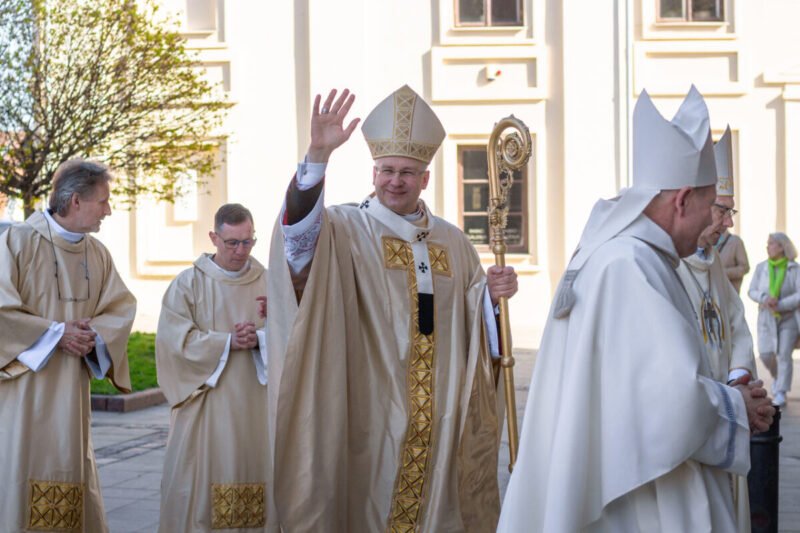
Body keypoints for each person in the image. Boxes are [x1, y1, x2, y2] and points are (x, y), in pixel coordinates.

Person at [498, 86, 774, 532]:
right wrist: (736, 406)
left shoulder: (628, 254)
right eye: (710, 206)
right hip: (641, 494)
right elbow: (670, 404)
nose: (715, 224)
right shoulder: (630, 265)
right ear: (682, 199)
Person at [267, 85, 517, 532]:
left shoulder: (454, 242)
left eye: (407, 172)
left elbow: (474, 321)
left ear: (425, 179)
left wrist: (492, 299)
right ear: (373, 172)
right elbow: (297, 248)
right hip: (368, 405)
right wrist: (318, 156)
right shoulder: (345, 228)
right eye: (386, 170)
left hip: (438, 411)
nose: (395, 181)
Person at [0, 159, 136, 532]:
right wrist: (57, 334)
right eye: (103, 201)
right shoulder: (16, 243)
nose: (109, 210)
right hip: (25, 399)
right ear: (76, 201)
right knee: (21, 483)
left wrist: (94, 337)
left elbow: (120, 309)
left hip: (72, 398)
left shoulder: (97, 253)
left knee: (72, 473)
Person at [156, 203, 270, 532]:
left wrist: (261, 339)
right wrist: (226, 342)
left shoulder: (270, 281)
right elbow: (173, 343)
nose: (241, 251)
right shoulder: (188, 284)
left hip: (257, 409)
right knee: (199, 490)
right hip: (206, 409)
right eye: (232, 242)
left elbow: (294, 334)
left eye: (248, 241)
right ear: (213, 238)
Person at [677, 126, 758, 531]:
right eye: (721, 210)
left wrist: (739, 375)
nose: (727, 223)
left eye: (731, 212)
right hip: (691, 422)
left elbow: (737, 325)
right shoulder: (667, 264)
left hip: (727, 404)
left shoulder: (713, 265)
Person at [748, 232, 800, 408]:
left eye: (771, 243)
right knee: (765, 353)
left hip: (788, 317)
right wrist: (764, 298)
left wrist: (781, 304)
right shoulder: (761, 267)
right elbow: (752, 290)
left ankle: (781, 392)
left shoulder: (794, 268)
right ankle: (778, 376)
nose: (767, 246)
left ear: (782, 246)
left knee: (784, 354)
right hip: (766, 317)